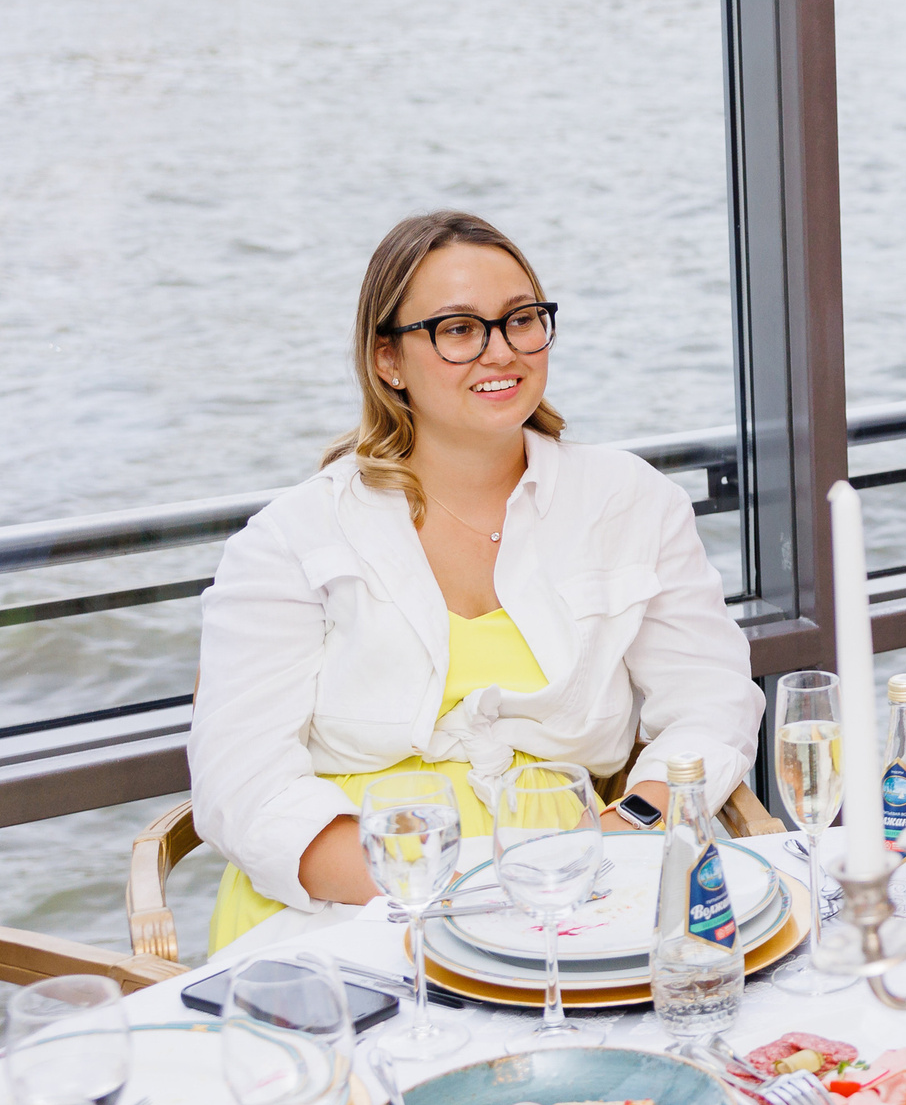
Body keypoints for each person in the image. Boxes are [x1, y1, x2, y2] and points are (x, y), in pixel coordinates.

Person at [190, 211, 763, 951]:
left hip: (579, 887)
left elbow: (712, 705)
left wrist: (633, 827)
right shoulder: (291, 539)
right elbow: (245, 788)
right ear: (387, 358)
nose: (500, 350)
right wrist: (462, 889)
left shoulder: (630, 501)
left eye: (520, 320)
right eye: (458, 329)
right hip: (342, 906)